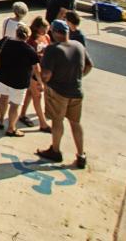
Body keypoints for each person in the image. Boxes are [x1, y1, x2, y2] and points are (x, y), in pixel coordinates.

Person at [38, 19, 92, 169]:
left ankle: (55, 150)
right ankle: (81, 155)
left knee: (57, 121)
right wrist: (77, 77)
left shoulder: (53, 49)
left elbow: (46, 75)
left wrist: (43, 77)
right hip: (76, 90)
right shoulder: (78, 45)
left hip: (58, 92)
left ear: (55, 32)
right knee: (75, 123)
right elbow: (89, 65)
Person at [0, 24, 42, 136]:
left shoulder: (5, 41)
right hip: (19, 82)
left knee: (3, 98)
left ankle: (0, 120)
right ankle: (11, 128)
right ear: (27, 36)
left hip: (3, 76)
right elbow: (36, 68)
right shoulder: (29, 50)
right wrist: (40, 82)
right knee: (15, 105)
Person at [20, 16, 52, 131]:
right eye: (44, 30)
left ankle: (23, 114)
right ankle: (43, 123)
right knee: (37, 96)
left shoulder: (46, 37)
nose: (46, 32)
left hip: (42, 71)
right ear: (37, 28)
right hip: (33, 72)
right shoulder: (31, 41)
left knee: (30, 93)